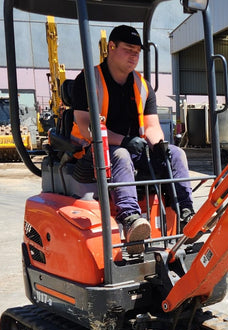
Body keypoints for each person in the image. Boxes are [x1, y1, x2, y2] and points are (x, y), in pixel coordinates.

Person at [71, 25, 195, 255]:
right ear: (111, 47)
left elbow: (151, 126)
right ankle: (130, 220)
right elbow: (85, 125)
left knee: (176, 154)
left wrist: (159, 145)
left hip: (132, 149)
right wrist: (124, 141)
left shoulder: (142, 85)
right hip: (92, 152)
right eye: (128, 49)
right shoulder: (88, 80)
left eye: (137, 51)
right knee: (120, 154)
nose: (134, 56)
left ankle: (187, 214)